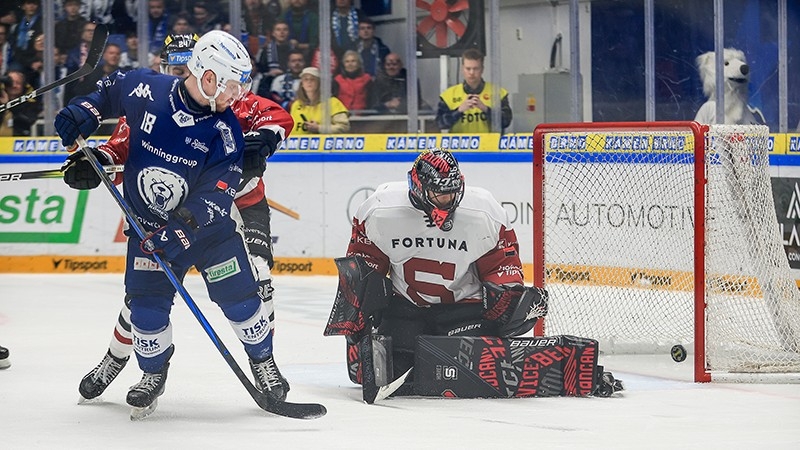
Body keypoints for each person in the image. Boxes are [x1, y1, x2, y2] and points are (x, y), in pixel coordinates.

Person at [54, 30, 283, 415]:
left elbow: (216, 195)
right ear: (208, 76)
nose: (236, 94)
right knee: (144, 310)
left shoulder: (226, 131)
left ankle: (264, 362)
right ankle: (152, 373)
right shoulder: (147, 88)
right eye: (231, 84)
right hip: (148, 232)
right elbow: (112, 90)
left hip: (207, 235)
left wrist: (183, 228)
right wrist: (86, 115)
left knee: (242, 300)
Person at [325, 148, 548, 395]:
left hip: (465, 312)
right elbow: (365, 271)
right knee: (381, 374)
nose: (447, 199)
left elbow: (500, 267)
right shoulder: (379, 211)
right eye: (439, 193)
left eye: (452, 192)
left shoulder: (484, 213)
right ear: (418, 186)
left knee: (478, 372)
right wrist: (360, 314)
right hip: (406, 310)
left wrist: (507, 299)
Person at [436, 48, 512, 133]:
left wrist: (486, 109)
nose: (471, 72)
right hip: (460, 145)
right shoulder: (449, 95)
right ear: (462, 69)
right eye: (468, 68)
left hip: (490, 145)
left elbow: (506, 121)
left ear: (482, 69)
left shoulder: (498, 93)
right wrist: (459, 111)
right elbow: (440, 124)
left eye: (476, 68)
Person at [289, 66, 349, 134]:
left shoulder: (332, 103)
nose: (309, 82)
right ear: (302, 84)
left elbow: (344, 127)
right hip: (298, 143)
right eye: (306, 79)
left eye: (313, 79)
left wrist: (319, 128)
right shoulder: (296, 104)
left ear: (319, 83)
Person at [0, 70, 42, 136]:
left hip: (19, 141)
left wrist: (8, 105)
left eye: (18, 83)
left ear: (23, 85)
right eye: (10, 82)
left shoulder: (30, 103)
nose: (14, 86)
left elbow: (27, 122)